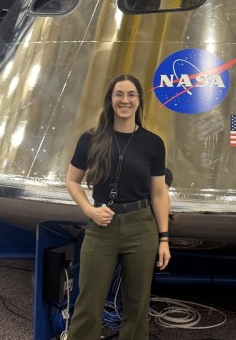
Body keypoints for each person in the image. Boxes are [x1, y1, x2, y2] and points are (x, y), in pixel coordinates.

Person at [66, 74, 171, 339]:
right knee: (88, 304)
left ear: (139, 101)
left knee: (137, 304)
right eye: (119, 94)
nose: (125, 100)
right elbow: (72, 181)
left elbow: (158, 193)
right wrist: (89, 210)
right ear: (110, 100)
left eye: (131, 94)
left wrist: (164, 238)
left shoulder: (153, 143)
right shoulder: (90, 139)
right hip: (102, 225)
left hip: (141, 226)